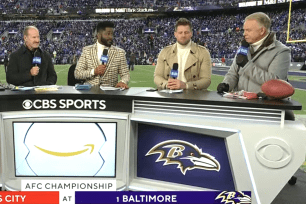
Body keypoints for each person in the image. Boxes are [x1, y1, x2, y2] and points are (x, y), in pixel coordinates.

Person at [217, 12, 291, 94]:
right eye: (244, 30)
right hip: (241, 101)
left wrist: (247, 65)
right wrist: (227, 84)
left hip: (264, 104)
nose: (244, 34)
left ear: (262, 30)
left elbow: (275, 83)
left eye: (248, 30)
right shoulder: (244, 47)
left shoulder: (281, 51)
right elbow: (233, 73)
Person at [154, 18, 211, 90]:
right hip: (169, 94)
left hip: (194, 96)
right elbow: (157, 76)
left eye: (186, 32)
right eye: (180, 33)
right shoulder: (165, 52)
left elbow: (206, 80)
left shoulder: (203, 52)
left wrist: (186, 86)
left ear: (191, 33)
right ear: (175, 34)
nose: (183, 35)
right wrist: (167, 84)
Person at [74, 21, 130, 88]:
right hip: (90, 93)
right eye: (108, 34)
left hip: (110, 94)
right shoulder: (87, 50)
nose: (111, 37)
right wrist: (94, 71)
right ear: (98, 35)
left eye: (112, 34)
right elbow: (77, 74)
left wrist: (122, 82)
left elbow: (125, 74)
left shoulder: (120, 52)